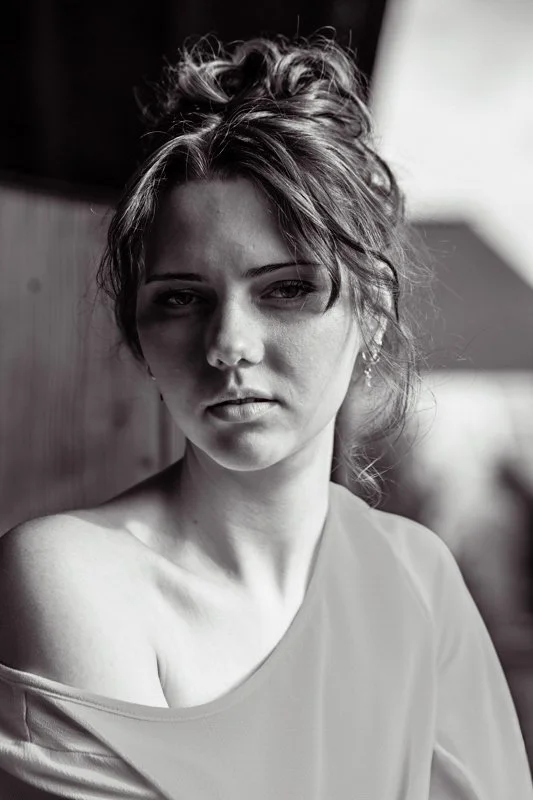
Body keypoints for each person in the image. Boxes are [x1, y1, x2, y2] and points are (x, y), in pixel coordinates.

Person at [0, 32, 531, 800]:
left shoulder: (417, 577)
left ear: (371, 309)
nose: (228, 344)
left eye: (284, 289)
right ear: (139, 337)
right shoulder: (70, 576)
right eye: (181, 299)